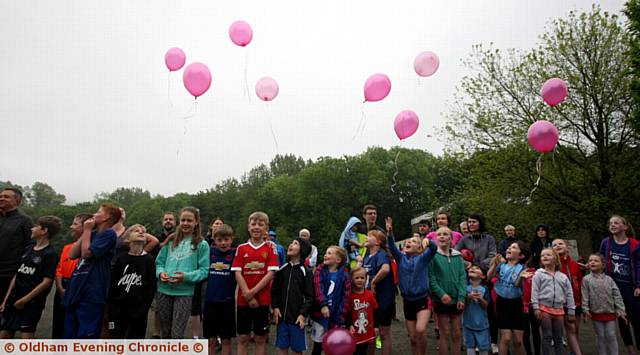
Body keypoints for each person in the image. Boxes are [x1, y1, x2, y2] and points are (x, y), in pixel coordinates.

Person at [62, 204, 121, 338]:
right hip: (76, 289)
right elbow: (72, 254)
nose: (94, 215)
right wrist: (87, 232)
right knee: (70, 334)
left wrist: (87, 230)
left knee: (86, 335)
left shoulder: (109, 234)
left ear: (107, 217)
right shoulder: (91, 234)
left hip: (92, 291)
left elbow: (86, 254)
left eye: (98, 212)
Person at [0, 216, 60, 339]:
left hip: (31, 303)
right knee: (5, 333)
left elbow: (47, 281)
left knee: (26, 336)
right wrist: (6, 300)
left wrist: (25, 300)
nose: (32, 229)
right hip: (13, 299)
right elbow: (17, 274)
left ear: (44, 231)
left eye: (36, 226)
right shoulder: (27, 249)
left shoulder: (50, 254)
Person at [155, 206, 209, 339]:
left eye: (189, 220)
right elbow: (159, 263)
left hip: (184, 293)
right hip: (163, 290)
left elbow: (204, 271)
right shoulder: (171, 241)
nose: (185, 223)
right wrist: (160, 273)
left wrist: (186, 277)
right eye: (183, 220)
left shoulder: (201, 244)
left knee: (176, 334)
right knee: (165, 332)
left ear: (196, 222)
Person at [386, 217, 437, 355]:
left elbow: (433, 249)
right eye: (408, 241)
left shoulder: (423, 258)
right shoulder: (400, 258)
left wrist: (429, 242)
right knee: (413, 338)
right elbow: (391, 246)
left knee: (420, 330)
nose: (409, 242)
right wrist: (390, 233)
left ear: (420, 248)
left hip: (422, 300)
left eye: (413, 241)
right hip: (407, 301)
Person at [231, 211, 279, 355]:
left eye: (260, 224)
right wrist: (247, 293)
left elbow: (270, 273)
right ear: (248, 227)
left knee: (260, 338)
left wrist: (252, 293)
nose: (256, 227)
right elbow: (237, 272)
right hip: (243, 300)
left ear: (266, 228)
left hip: (262, 301)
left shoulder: (271, 248)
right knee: (243, 337)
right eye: (253, 224)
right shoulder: (241, 248)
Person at [599, 215, 640, 354]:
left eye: (616, 223)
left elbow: (639, 266)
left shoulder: (635, 244)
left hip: (633, 290)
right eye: (611, 223)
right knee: (623, 322)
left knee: (637, 322)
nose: (613, 225)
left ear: (625, 227)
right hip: (615, 291)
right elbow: (601, 261)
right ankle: (631, 351)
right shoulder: (606, 243)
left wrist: (638, 285)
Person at [108, 224, 157, 338]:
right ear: (128, 238)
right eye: (136, 231)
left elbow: (151, 287)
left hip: (139, 310)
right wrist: (113, 308)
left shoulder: (148, 260)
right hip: (119, 309)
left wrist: (144, 308)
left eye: (143, 232)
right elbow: (113, 286)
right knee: (116, 339)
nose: (141, 232)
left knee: (136, 342)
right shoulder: (121, 259)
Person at [51, 213, 92, 339]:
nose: (71, 227)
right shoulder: (67, 248)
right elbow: (59, 270)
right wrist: (60, 288)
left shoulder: (90, 249)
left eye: (75, 224)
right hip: (62, 288)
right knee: (59, 324)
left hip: (79, 288)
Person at [272, 237, 314, 355]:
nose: (291, 245)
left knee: (297, 350)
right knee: (281, 347)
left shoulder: (306, 271)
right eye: (291, 243)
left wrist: (302, 314)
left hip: (297, 319)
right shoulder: (282, 269)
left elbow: (310, 297)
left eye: (295, 244)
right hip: (282, 319)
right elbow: (274, 291)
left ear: (303, 250)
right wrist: (275, 307)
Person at [429, 227, 467, 355]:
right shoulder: (432, 256)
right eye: (439, 234)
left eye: (445, 234)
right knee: (444, 333)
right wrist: (441, 294)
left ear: (451, 238)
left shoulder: (458, 256)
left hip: (457, 300)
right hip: (441, 300)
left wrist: (462, 296)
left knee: (456, 333)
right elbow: (431, 278)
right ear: (435, 239)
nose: (442, 236)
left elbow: (462, 277)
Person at [488, 241, 530, 355]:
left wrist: (521, 277)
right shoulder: (501, 265)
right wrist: (494, 265)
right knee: (505, 338)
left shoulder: (523, 268)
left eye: (514, 247)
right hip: (502, 302)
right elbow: (489, 277)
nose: (509, 249)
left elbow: (517, 284)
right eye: (509, 247)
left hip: (516, 304)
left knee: (518, 341)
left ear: (521, 255)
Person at [531, 248, 576, 355]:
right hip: (544, 309)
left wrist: (571, 311)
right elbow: (534, 291)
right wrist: (536, 307)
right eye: (543, 256)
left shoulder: (563, 276)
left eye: (548, 255)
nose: (545, 257)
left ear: (555, 259)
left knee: (559, 336)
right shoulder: (539, 274)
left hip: (559, 310)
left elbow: (569, 294)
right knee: (547, 335)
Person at [582, 253, 627, 355]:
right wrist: (585, 309)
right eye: (590, 260)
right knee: (600, 335)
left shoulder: (609, 279)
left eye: (596, 260)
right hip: (596, 313)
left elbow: (617, 295)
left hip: (609, 312)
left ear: (603, 265)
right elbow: (584, 295)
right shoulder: (586, 279)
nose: (592, 262)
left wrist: (621, 311)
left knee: (611, 335)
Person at [310, 246, 351, 355]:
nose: (325, 255)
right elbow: (318, 288)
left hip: (335, 317)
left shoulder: (344, 276)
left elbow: (346, 298)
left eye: (329, 253)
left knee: (333, 346)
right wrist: (323, 305)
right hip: (320, 316)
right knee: (317, 346)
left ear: (338, 260)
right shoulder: (320, 271)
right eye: (326, 252)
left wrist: (341, 317)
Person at [204, 224, 236, 355]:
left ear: (232, 239)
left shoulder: (236, 252)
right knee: (210, 340)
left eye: (226, 240)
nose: (223, 243)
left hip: (226, 302)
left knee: (226, 340)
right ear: (214, 240)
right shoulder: (209, 251)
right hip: (210, 301)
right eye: (219, 240)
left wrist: (270, 244)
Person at [363, 230, 395, 355]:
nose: (366, 237)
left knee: (383, 333)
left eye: (370, 236)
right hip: (370, 300)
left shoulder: (382, 254)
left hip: (383, 299)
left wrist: (373, 282)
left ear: (378, 242)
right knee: (371, 333)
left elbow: (385, 269)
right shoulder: (367, 257)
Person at [0, 187, 33, 302]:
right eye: (1, 196)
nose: (1, 198)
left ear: (17, 200)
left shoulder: (25, 221)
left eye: (6, 197)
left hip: (8, 275)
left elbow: (30, 246)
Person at [552, 238, 583, 355]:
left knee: (575, 330)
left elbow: (579, 283)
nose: (558, 246)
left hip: (575, 303)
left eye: (560, 243)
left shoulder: (575, 265)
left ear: (567, 247)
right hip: (559, 304)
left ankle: (573, 351)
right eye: (555, 245)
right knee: (563, 330)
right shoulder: (552, 265)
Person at [151, 211, 177, 339]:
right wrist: (168, 240)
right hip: (159, 274)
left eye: (171, 219)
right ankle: (156, 332)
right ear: (162, 222)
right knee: (158, 307)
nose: (168, 221)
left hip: (176, 274)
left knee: (173, 307)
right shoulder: (157, 238)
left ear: (175, 222)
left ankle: (171, 332)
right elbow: (158, 251)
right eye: (166, 219)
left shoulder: (180, 236)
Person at [346, 267, 378, 355]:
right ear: (351, 279)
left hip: (367, 332)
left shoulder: (370, 294)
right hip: (354, 332)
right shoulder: (349, 295)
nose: (360, 280)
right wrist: (349, 325)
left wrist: (376, 326)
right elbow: (347, 312)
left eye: (362, 278)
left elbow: (375, 310)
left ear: (366, 279)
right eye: (357, 278)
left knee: (364, 351)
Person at [463, 265, 491, 355]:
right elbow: (462, 304)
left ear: (483, 276)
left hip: (482, 325)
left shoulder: (484, 289)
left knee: (483, 347)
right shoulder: (464, 287)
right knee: (470, 346)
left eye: (477, 268)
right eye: (471, 268)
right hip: (467, 323)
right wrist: (469, 298)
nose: (472, 268)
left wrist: (480, 299)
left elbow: (486, 305)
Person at [521, 258, 541, 355]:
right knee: (535, 331)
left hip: (524, 305)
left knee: (526, 331)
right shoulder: (540, 274)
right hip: (535, 304)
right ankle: (536, 352)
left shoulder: (522, 273)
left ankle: (529, 352)